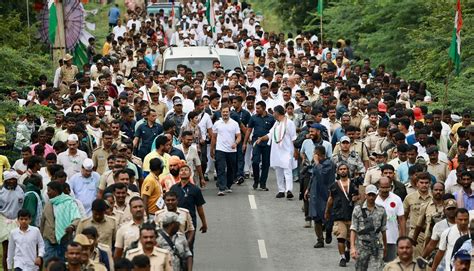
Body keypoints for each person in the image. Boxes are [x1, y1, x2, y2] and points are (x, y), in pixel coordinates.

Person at [256, 105, 297, 198]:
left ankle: (289, 190)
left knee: (287, 170)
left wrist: (295, 150)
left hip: (287, 150)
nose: (273, 114)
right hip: (277, 151)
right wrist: (261, 138)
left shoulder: (289, 123)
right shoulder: (276, 123)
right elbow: (270, 134)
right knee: (278, 170)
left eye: (274, 112)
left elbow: (294, 138)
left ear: (277, 113)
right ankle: (281, 190)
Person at [324, 163, 359, 267]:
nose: (343, 171)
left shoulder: (353, 184)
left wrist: (356, 198)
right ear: (338, 171)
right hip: (338, 215)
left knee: (349, 239)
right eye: (341, 169)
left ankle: (348, 250)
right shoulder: (334, 186)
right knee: (341, 237)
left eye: (345, 169)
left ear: (348, 171)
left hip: (351, 215)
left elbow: (360, 196)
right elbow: (330, 200)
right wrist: (327, 211)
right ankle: (342, 257)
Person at [41, 181, 82, 263]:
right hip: (50, 240)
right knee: (49, 263)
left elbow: (77, 217)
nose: (47, 193)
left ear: (55, 191)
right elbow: (43, 221)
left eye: (49, 191)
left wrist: (72, 226)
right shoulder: (48, 204)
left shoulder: (69, 202)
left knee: (64, 262)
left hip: (65, 238)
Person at [350, 184, 387, 271]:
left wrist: (385, 246)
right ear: (365, 195)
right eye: (369, 195)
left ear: (376, 195)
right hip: (362, 246)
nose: (371, 197)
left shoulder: (381, 210)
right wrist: (352, 247)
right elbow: (353, 228)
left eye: (373, 195)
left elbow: (383, 230)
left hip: (377, 246)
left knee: (378, 268)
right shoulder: (358, 210)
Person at [306, 145, 336, 248]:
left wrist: (317, 164)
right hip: (315, 193)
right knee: (316, 217)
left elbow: (322, 176)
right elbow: (313, 176)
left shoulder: (329, 164)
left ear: (320, 155)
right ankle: (320, 239)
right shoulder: (316, 164)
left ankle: (328, 230)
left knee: (327, 215)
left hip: (325, 194)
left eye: (315, 154)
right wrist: (308, 189)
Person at [169, 164, 207, 245]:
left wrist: (204, 223)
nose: (183, 172)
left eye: (186, 170)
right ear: (179, 174)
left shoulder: (195, 189)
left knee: (189, 245)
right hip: (175, 220)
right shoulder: (173, 188)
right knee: (175, 244)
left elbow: (199, 207)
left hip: (190, 221)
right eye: (181, 170)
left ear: (190, 173)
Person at [243, 100, 275, 190]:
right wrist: (245, 142)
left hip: (267, 143)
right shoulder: (253, 118)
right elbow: (249, 130)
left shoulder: (271, 118)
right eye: (256, 108)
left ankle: (263, 183)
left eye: (258, 108)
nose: (256, 110)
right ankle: (256, 180)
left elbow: (274, 131)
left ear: (264, 108)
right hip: (256, 142)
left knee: (266, 163)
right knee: (255, 161)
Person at [210, 104, 241, 196]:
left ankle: (228, 185)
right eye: (223, 112)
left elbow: (239, 136)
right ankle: (221, 188)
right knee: (221, 168)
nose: (225, 114)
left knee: (231, 169)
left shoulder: (234, 123)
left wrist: (235, 143)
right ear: (221, 112)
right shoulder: (217, 123)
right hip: (220, 149)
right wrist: (212, 149)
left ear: (229, 112)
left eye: (227, 112)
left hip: (231, 150)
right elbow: (214, 137)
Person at [375, 177, 406, 262]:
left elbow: (401, 219)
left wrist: (402, 238)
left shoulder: (396, 199)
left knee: (391, 264)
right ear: (378, 186)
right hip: (376, 239)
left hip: (392, 238)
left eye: (387, 187)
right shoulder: (373, 198)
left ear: (391, 187)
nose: (385, 190)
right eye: (382, 187)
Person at [0, 171, 24, 271]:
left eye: (13, 179)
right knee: (6, 250)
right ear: (5, 180)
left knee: (19, 250)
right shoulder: (1, 190)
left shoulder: (22, 188)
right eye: (9, 179)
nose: (11, 181)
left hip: (18, 221)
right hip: (3, 220)